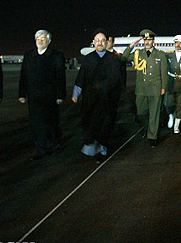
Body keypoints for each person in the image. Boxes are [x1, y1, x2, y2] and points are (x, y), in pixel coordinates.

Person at [72, 29, 122, 159]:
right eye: (97, 40)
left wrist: (106, 90)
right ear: (94, 42)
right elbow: (81, 78)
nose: (100, 43)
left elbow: (116, 79)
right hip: (90, 100)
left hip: (106, 100)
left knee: (105, 125)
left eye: (103, 40)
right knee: (90, 124)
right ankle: (92, 147)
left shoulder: (113, 59)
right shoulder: (88, 59)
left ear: (106, 43)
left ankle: (103, 149)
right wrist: (75, 94)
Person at [19, 30, 66, 159]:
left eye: (43, 38)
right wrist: (22, 94)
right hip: (34, 96)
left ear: (49, 41)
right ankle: (41, 147)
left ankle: (52, 143)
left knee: (51, 122)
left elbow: (60, 77)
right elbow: (24, 75)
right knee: (36, 123)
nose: (40, 41)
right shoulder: (29, 55)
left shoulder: (56, 56)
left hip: (50, 96)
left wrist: (60, 95)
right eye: (38, 38)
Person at [121, 29, 168, 147]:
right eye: (145, 40)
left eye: (149, 40)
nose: (147, 42)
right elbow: (124, 57)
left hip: (155, 89)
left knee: (154, 114)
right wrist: (131, 46)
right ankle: (147, 128)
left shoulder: (160, 54)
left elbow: (164, 72)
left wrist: (163, 87)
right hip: (141, 89)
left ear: (153, 41)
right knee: (141, 112)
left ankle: (153, 137)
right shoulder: (138, 53)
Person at [164, 35, 181, 134]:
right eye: (176, 43)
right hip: (171, 81)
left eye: (180, 43)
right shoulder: (168, 55)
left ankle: (177, 125)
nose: (178, 45)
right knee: (169, 103)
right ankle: (171, 115)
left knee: (180, 105)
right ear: (174, 44)